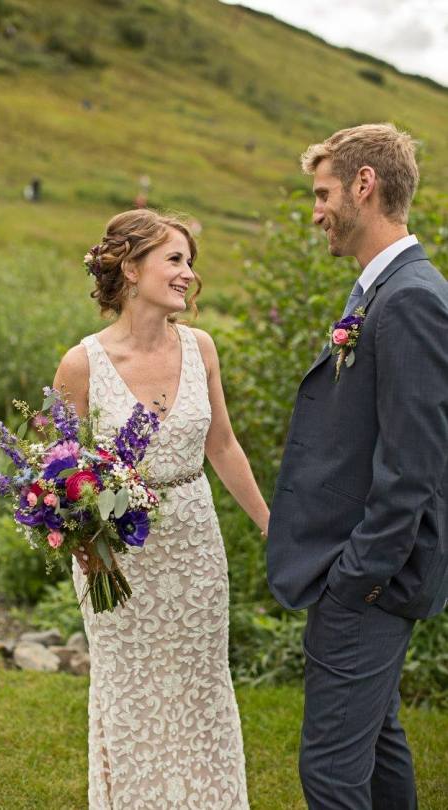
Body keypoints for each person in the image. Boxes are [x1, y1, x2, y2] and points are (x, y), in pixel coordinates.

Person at [53, 209, 269, 809]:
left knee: (201, 689)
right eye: (174, 259)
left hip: (197, 547)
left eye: (189, 262)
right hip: (119, 561)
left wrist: (270, 525)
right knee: (132, 694)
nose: (187, 274)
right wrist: (86, 551)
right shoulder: (82, 364)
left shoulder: (201, 348)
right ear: (130, 267)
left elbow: (221, 444)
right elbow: (56, 480)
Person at [267, 123, 448, 809]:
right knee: (376, 748)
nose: (315, 212)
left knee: (333, 775)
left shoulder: (410, 300)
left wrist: (356, 580)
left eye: (322, 193)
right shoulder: (382, 289)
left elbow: (414, 466)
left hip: (369, 582)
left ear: (363, 186)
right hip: (363, 575)